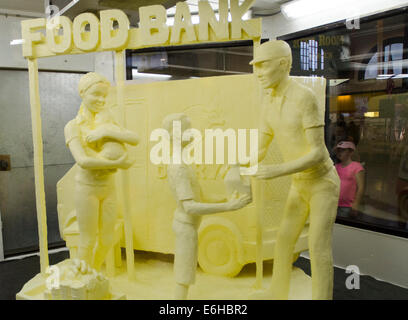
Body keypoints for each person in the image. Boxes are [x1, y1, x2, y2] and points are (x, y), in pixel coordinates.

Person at [247, 40, 340, 300]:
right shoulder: (268, 100)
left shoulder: (304, 98)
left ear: (284, 64)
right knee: (283, 241)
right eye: (255, 66)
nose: (258, 72)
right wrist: (241, 162)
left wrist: (276, 171)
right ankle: (278, 295)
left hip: (322, 183)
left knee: (318, 247)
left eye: (263, 65)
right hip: (300, 184)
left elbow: (318, 153)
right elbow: (262, 146)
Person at [163, 113, 252, 300]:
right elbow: (190, 207)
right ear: (176, 134)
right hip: (185, 226)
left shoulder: (184, 163)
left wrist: (225, 199)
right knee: (183, 275)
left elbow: (201, 197)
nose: (192, 132)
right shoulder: (178, 166)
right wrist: (229, 206)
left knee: (185, 273)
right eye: (188, 129)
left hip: (189, 226)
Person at [65, 72, 140, 270]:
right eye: (96, 94)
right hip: (87, 189)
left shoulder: (108, 122)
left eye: (105, 96)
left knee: (107, 239)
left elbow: (134, 138)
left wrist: (107, 131)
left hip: (108, 187)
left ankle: (93, 271)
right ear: (83, 93)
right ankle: (83, 278)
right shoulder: (72, 127)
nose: (101, 100)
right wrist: (117, 164)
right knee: (87, 240)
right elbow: (82, 161)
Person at [334, 141, 365, 217]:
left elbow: (361, 187)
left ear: (351, 152)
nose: (339, 153)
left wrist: (356, 203)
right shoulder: (336, 167)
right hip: (334, 204)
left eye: (343, 150)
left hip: (348, 206)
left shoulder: (356, 167)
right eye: (338, 150)